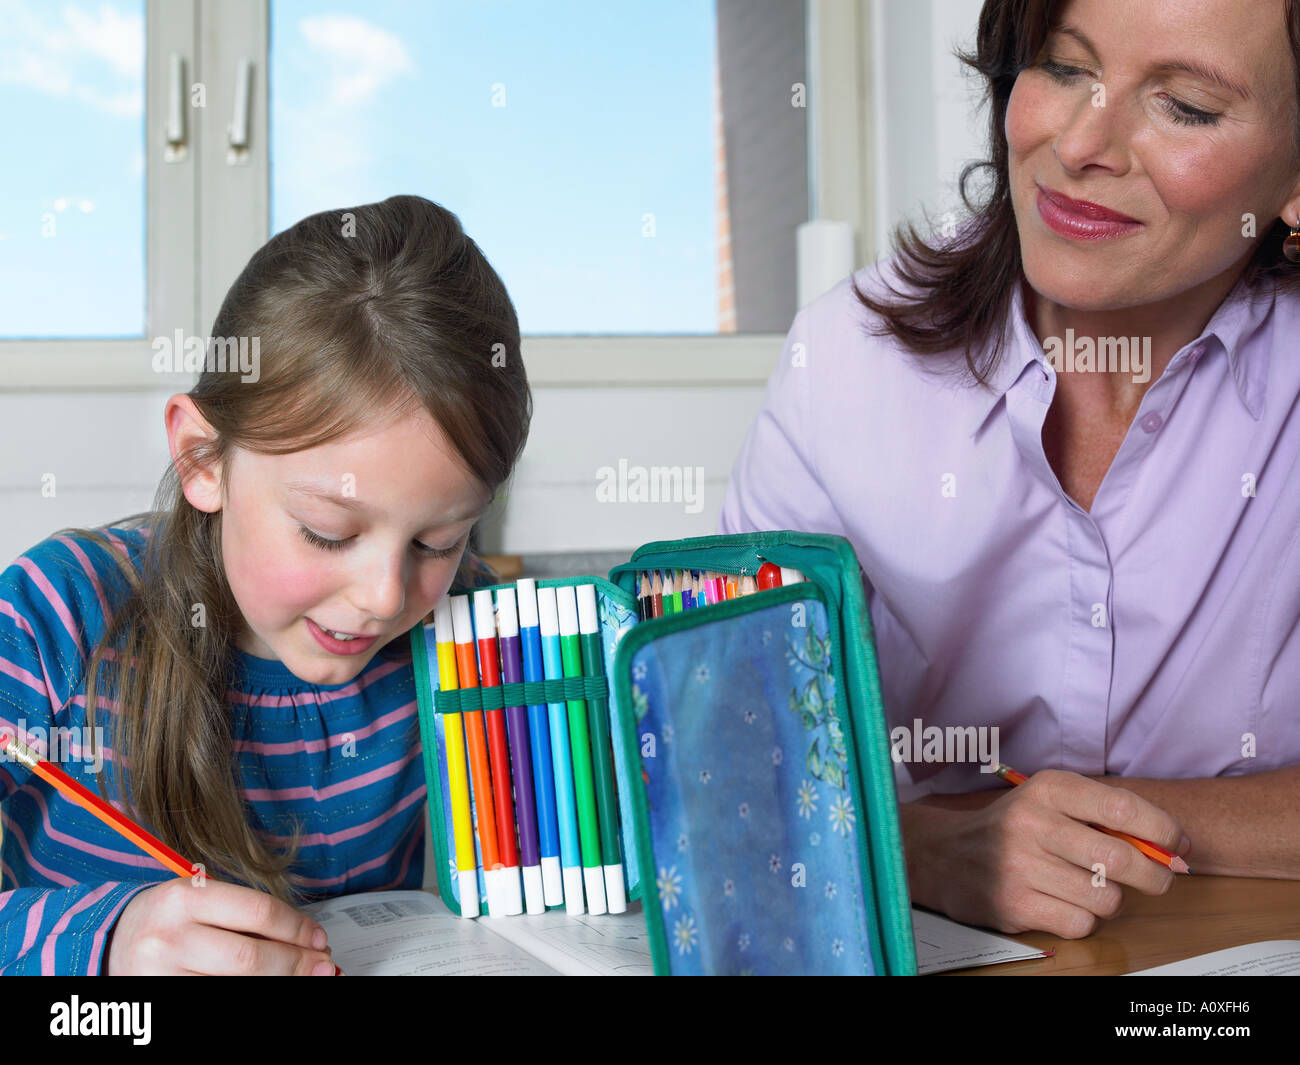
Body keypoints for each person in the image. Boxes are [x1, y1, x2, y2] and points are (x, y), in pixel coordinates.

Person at [722, 0, 1300, 940]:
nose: (1079, 145)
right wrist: (921, 849)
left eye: (1185, 106)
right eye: (1065, 68)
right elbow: (732, 761)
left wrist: (1091, 829)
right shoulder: (846, 361)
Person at [0, 195, 530, 973]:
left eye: (438, 541)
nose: (384, 596)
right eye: (327, 531)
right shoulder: (57, 616)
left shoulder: (475, 630)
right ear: (203, 460)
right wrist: (106, 943)